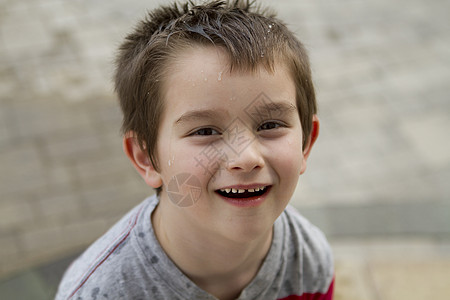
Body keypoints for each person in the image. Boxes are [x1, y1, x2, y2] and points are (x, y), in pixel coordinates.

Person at [55, 1, 334, 299]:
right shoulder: (101, 292)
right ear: (146, 157)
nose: (246, 158)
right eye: (205, 131)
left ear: (306, 142)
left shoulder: (308, 262)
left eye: (269, 125)